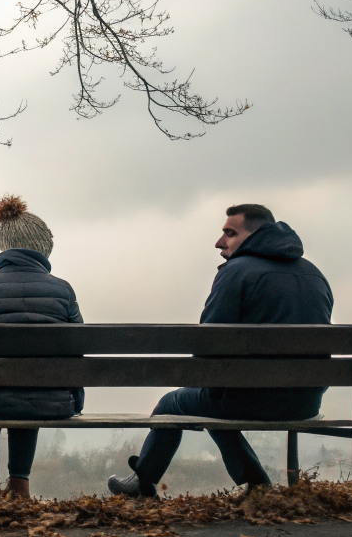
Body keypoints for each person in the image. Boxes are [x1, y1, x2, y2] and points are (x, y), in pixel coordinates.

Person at [109, 204, 334, 498]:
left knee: (174, 403)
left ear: (256, 235)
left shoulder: (237, 271)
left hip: (249, 401)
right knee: (215, 396)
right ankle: (257, 484)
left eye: (230, 233)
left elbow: (209, 343)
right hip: (306, 402)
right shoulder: (314, 275)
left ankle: (143, 483)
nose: (220, 241)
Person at [0, 195, 84, 499]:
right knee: (30, 388)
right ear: (42, 248)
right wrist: (74, 397)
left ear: (6, 246)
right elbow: (78, 350)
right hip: (51, 401)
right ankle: (20, 485)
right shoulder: (63, 290)